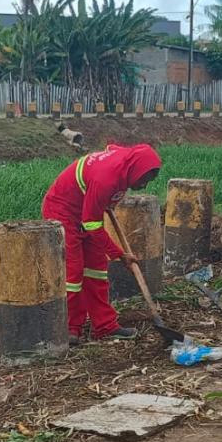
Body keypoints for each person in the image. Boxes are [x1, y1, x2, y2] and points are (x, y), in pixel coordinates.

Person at [42, 143, 162, 343]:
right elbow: (92, 224)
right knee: (74, 272)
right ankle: (71, 328)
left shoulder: (125, 160)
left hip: (89, 211)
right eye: (144, 179)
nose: (144, 185)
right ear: (135, 170)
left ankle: (105, 326)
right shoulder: (105, 180)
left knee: (96, 269)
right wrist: (119, 254)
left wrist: (103, 201)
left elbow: (111, 146)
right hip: (64, 212)